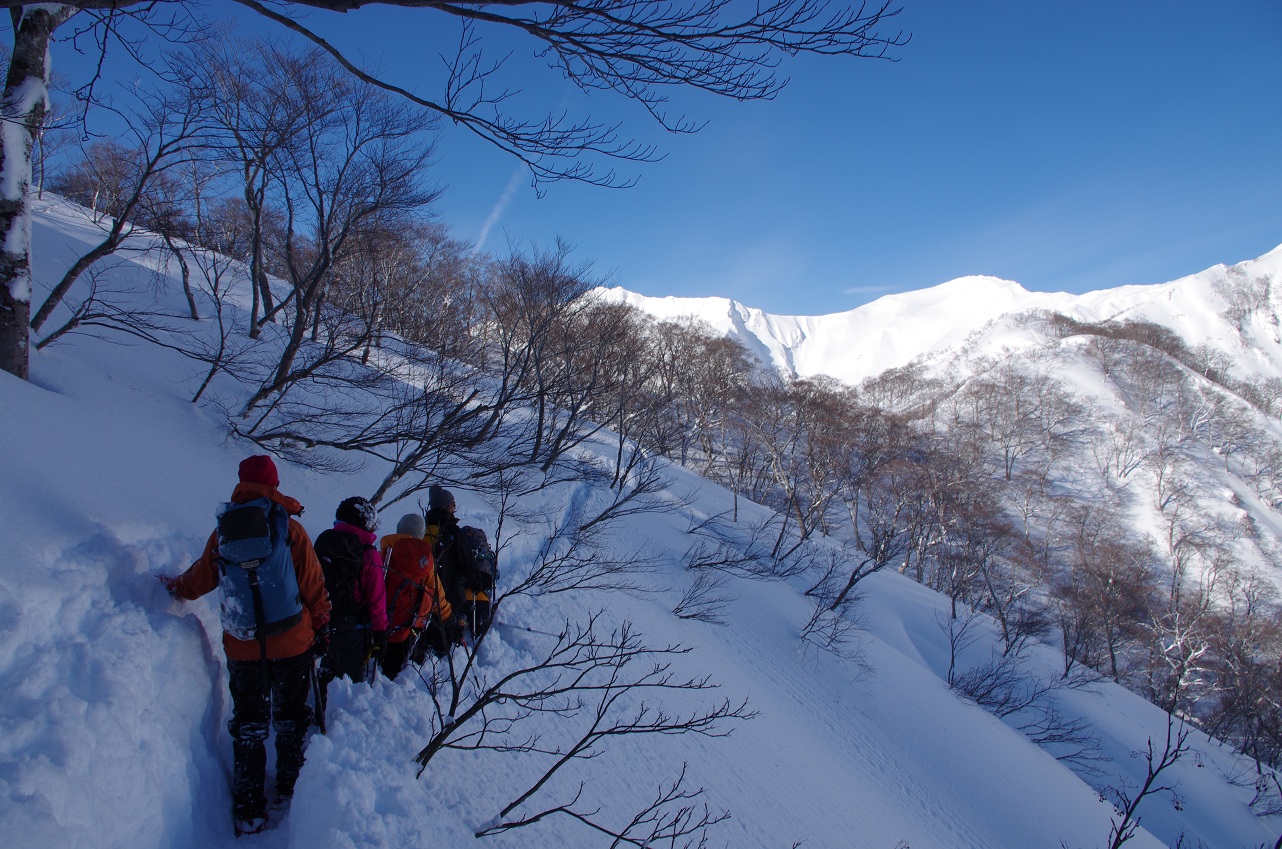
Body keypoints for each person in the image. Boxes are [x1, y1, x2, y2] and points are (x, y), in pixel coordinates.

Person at [160, 454, 331, 836]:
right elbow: (313, 585)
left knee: (249, 724)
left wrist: (175, 588)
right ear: (274, 483)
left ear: (241, 484)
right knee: (291, 716)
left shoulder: (225, 531)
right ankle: (289, 788)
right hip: (293, 641)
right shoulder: (290, 529)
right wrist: (321, 622)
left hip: (243, 646)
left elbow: (200, 579)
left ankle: (249, 809)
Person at [312, 497, 387, 708]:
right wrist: (380, 633)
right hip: (354, 627)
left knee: (328, 669)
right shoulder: (368, 553)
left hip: (323, 622)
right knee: (350, 683)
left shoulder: (324, 542)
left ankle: (321, 712)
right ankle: (343, 724)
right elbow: (376, 598)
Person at [377, 513, 456, 679]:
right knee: (394, 675)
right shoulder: (425, 564)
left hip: (377, 628)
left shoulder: (384, 555)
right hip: (405, 631)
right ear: (421, 535)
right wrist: (448, 616)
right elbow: (437, 596)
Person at [424, 485, 496, 638]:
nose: (454, 508)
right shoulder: (453, 532)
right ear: (446, 507)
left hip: (427, 592)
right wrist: (478, 581)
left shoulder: (425, 530)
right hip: (450, 594)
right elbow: (467, 564)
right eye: (453, 505)